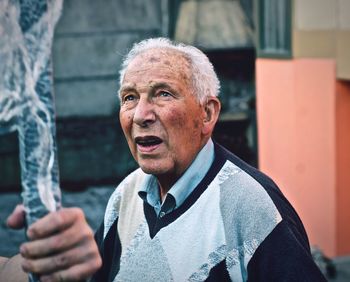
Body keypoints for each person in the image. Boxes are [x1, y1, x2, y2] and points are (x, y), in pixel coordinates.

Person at [0, 37, 326, 281]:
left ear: (208, 113)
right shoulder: (127, 194)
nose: (140, 115)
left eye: (163, 93)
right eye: (130, 97)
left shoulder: (251, 205)